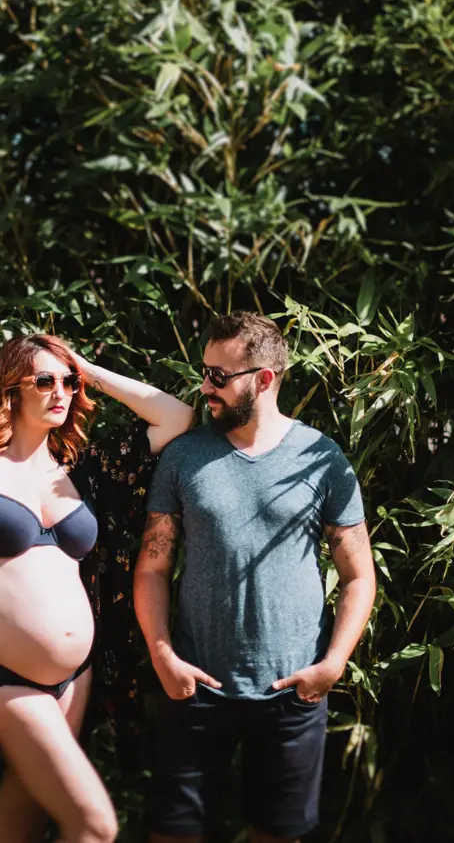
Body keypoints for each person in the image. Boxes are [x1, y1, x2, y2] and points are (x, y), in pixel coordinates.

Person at [0, 334, 193, 843]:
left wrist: (87, 369)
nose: (60, 391)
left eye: (68, 382)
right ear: (11, 388)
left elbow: (176, 417)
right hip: (9, 681)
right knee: (95, 825)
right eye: (45, 380)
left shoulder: (83, 471)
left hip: (76, 681)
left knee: (24, 818)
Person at [135, 311, 378, 843]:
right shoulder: (183, 456)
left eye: (219, 376)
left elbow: (358, 574)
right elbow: (153, 566)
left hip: (292, 692)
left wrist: (333, 664)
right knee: (173, 834)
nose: (205, 387)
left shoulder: (320, 459)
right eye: (204, 372)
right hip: (194, 686)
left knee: (277, 834)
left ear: (264, 379)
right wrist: (162, 655)